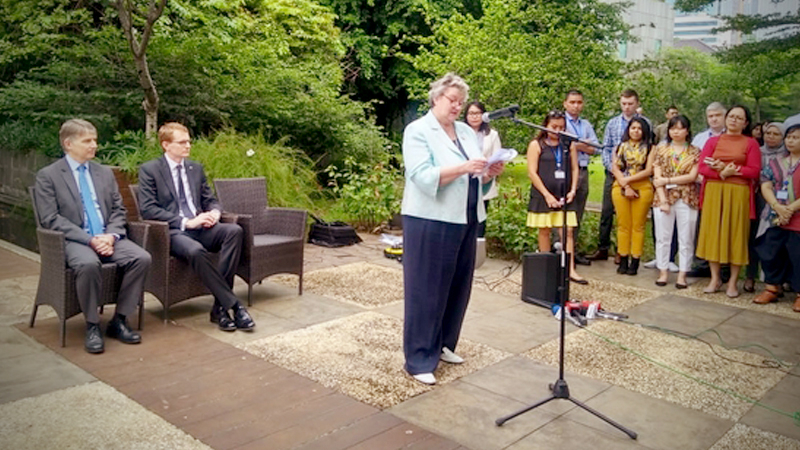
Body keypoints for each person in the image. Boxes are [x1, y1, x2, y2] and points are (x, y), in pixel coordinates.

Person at [401, 73, 504, 385]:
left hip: (465, 216)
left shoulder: (464, 131)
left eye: (461, 101)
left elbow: (474, 175)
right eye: (452, 100)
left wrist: (489, 172)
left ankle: (444, 343)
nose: (458, 106)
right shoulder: (418, 130)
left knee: (458, 284)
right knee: (426, 289)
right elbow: (421, 175)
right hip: (430, 219)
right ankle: (418, 358)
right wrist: (464, 167)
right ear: (436, 99)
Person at [34, 119, 151, 354]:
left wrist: (111, 236)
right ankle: (92, 325)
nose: (94, 145)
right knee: (88, 263)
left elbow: (119, 209)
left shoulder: (104, 173)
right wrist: (90, 240)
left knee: (142, 258)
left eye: (95, 140)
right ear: (68, 143)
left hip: (107, 237)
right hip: (73, 241)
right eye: (87, 141)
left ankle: (119, 320)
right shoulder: (49, 176)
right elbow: (51, 218)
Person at [138, 122, 255, 332]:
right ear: (166, 144)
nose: (188, 146)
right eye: (182, 142)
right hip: (174, 232)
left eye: (189, 141)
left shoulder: (195, 168)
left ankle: (219, 307)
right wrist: (186, 222)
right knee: (195, 250)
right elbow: (148, 210)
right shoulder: (150, 170)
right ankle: (233, 305)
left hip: (202, 227)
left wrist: (213, 213)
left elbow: (210, 199)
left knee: (234, 231)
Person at [696, 105, 761, 298]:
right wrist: (721, 172)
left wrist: (734, 171)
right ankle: (715, 278)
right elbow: (702, 167)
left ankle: (733, 282)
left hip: (738, 193)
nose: (734, 120)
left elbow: (754, 170)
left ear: (745, 123)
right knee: (713, 233)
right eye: (731, 116)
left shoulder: (750, 143)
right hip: (715, 191)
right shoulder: (713, 141)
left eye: (739, 118)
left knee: (736, 234)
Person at [588, 89, 650, 262]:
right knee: (607, 211)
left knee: (631, 216)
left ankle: (624, 251)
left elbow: (648, 148)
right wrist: (614, 169)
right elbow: (606, 148)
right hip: (614, 173)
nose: (627, 107)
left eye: (630, 104)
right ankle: (603, 247)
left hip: (638, 176)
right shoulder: (612, 123)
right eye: (624, 103)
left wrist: (630, 177)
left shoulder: (645, 123)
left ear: (637, 103)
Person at [526, 110, 586, 284]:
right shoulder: (536, 145)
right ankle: (546, 267)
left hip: (564, 195)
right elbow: (532, 172)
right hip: (543, 195)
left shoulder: (569, 145)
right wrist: (546, 195)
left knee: (567, 232)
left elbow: (575, 168)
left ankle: (570, 269)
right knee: (544, 231)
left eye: (561, 127)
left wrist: (573, 189)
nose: (557, 130)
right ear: (545, 125)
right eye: (554, 127)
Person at [754, 124, 800, 312]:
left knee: (798, 256)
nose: (790, 141)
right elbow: (765, 184)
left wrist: (790, 209)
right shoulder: (777, 162)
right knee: (770, 250)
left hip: (796, 218)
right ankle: (772, 288)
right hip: (776, 216)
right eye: (789, 137)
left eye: (796, 138)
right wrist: (777, 206)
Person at [651, 115, 700, 288]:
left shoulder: (694, 151)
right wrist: (663, 198)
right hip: (663, 196)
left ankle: (682, 273)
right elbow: (657, 177)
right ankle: (663, 271)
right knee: (663, 237)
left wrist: (667, 180)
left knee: (686, 237)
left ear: (687, 130)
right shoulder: (661, 149)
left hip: (687, 196)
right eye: (673, 128)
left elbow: (692, 176)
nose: (676, 132)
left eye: (680, 128)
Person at [744, 122, 788, 292]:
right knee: (754, 238)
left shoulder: (787, 154)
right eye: (768, 133)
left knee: (778, 241)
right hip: (758, 199)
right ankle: (750, 276)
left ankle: (779, 279)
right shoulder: (758, 151)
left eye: (776, 134)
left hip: (783, 203)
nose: (771, 137)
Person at [611, 117, 655, 275]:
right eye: (633, 128)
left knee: (638, 226)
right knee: (623, 224)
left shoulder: (651, 148)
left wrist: (627, 180)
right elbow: (615, 167)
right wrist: (625, 185)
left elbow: (649, 170)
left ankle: (635, 261)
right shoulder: (620, 147)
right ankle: (622, 258)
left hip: (642, 186)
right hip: (621, 187)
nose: (635, 131)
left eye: (639, 128)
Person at [563, 90, 600, 266]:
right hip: (566, 170)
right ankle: (560, 250)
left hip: (583, 171)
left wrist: (577, 145)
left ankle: (573, 251)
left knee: (578, 212)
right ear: (565, 103)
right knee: (564, 211)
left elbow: (595, 147)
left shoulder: (586, 125)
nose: (576, 105)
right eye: (572, 102)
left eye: (579, 102)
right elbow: (563, 144)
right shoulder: (560, 122)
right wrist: (581, 145)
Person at [464, 101, 502, 238]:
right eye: (471, 113)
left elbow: (497, 156)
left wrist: (488, 172)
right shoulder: (460, 133)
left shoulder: (492, 135)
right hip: (464, 180)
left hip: (484, 179)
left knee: (480, 219)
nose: (474, 117)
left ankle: (477, 250)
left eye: (478, 113)